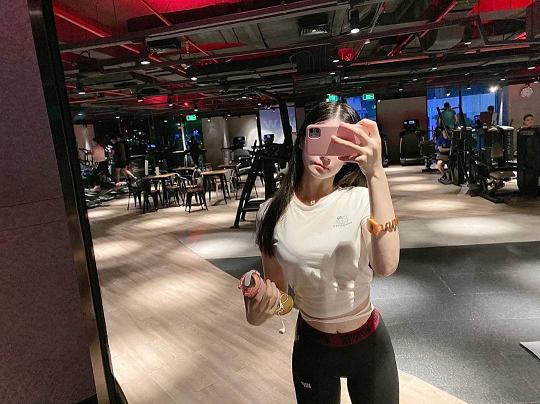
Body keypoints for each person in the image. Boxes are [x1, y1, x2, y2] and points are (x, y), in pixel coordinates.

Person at [245, 102, 400, 403]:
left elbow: (386, 265)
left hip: (368, 344)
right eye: (321, 139)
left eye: (339, 146)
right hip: (312, 347)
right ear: (302, 139)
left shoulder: (362, 199)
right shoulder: (270, 213)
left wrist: (376, 173)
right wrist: (261, 305)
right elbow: (283, 299)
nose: (326, 156)